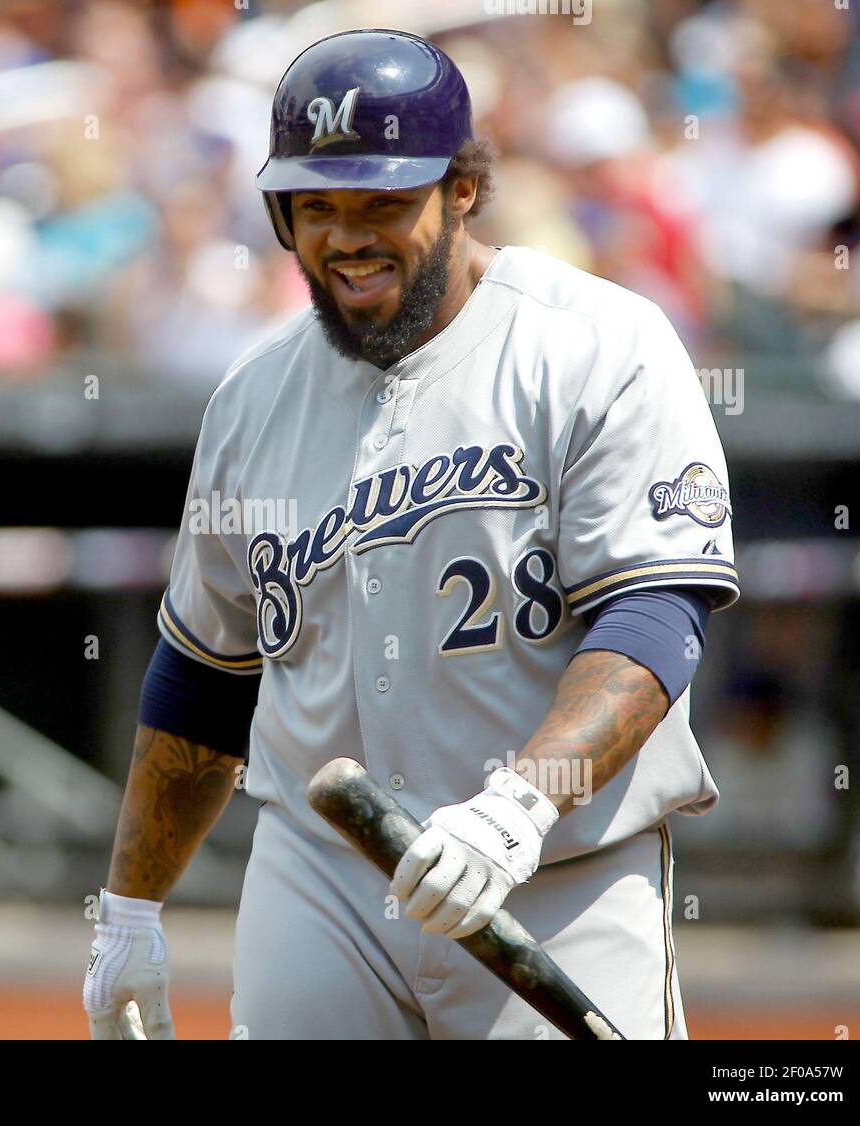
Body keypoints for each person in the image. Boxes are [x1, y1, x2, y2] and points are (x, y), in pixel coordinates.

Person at [84, 28, 738, 1040]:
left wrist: (520, 806)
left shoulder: (597, 345)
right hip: (325, 879)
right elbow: (204, 674)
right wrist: (129, 909)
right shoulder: (252, 399)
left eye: (383, 201)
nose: (348, 236)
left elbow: (655, 616)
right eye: (317, 207)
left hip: (559, 869)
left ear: (462, 190)